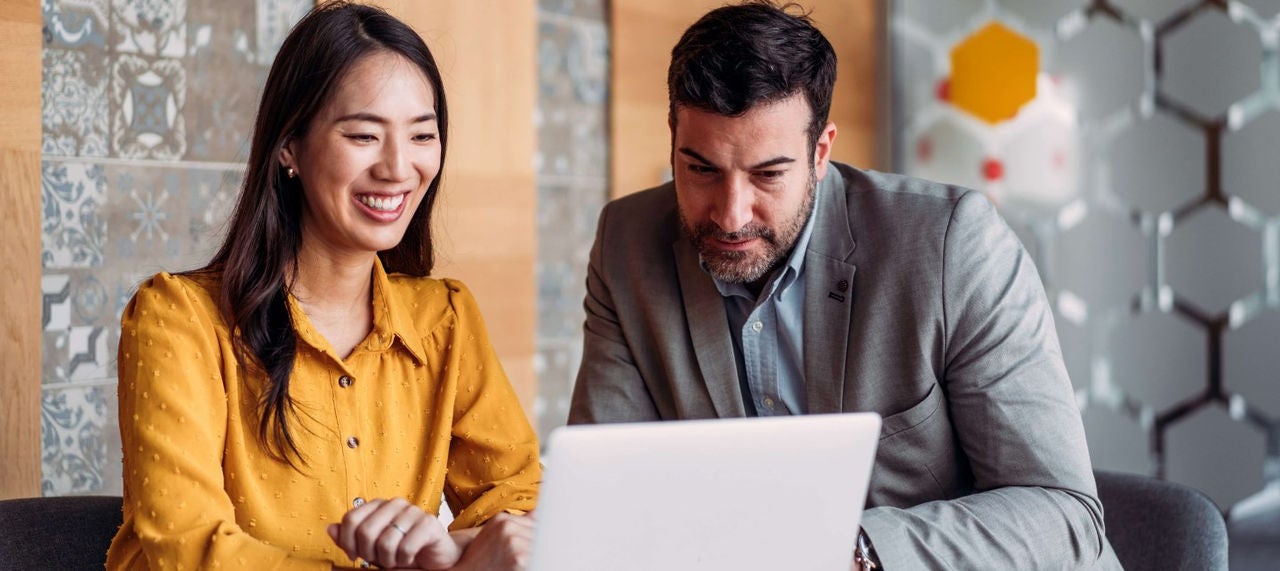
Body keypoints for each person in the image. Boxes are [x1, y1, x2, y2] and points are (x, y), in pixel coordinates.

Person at [568, 2, 1121, 569]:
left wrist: (850, 551)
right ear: (672, 138)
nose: (731, 216)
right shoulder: (626, 245)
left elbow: (1064, 513)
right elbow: (608, 500)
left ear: (821, 151)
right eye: (702, 169)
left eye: (768, 174)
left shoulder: (953, 246)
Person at [106, 3, 539, 569]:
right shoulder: (176, 318)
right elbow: (191, 549)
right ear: (290, 147)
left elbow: (518, 504)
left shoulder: (444, 319)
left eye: (422, 135)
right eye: (363, 135)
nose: (398, 167)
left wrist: (448, 548)